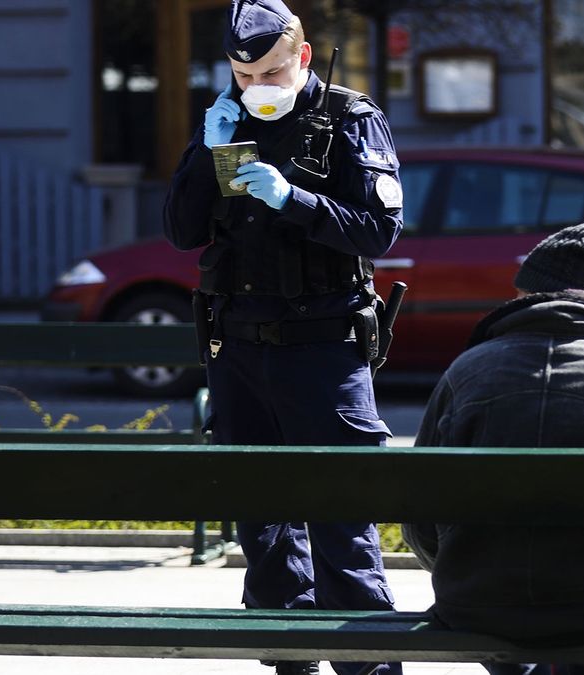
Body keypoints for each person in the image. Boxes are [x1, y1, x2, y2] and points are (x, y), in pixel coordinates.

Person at [162, 2, 404, 675]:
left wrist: (292, 198)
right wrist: (205, 156)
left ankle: (370, 665)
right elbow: (183, 232)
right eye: (243, 75)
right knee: (261, 523)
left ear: (302, 58)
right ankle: (290, 659)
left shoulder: (351, 119)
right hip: (238, 347)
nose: (257, 87)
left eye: (270, 72)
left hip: (322, 346)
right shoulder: (227, 118)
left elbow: (377, 231)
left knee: (340, 515)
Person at [402, 222, 584, 675]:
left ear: (524, 295)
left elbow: (419, 516)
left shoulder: (467, 372)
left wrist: (463, 573)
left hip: (480, 604)